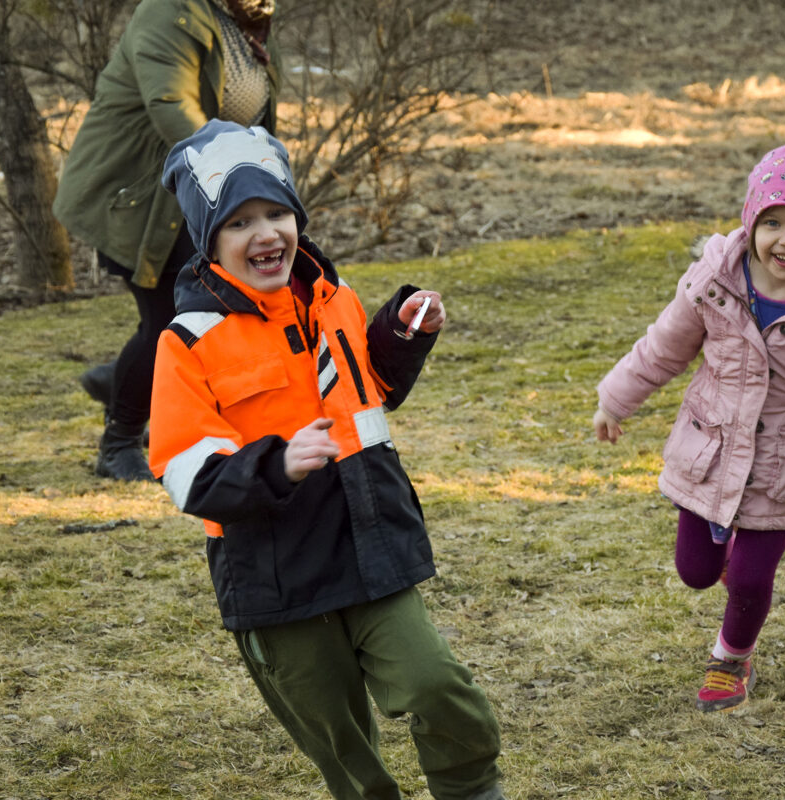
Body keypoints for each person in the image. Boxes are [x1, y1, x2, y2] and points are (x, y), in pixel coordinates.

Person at [149, 120, 507, 800]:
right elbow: (185, 470)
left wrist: (400, 334)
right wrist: (276, 466)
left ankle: (471, 787)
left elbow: (368, 389)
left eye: (277, 212)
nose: (266, 234)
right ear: (210, 242)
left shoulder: (331, 299)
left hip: (371, 548)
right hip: (277, 578)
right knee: (338, 739)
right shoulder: (189, 342)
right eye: (240, 221)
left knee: (435, 683)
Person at [592, 131, 785, 714]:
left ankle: (730, 659)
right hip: (708, 453)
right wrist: (615, 399)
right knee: (694, 571)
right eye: (773, 223)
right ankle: (726, 571)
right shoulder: (714, 284)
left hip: (784, 466)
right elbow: (663, 348)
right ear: (750, 224)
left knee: (751, 581)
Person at [54, 0, 282, 481]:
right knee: (166, 322)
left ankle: (121, 381)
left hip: (199, 193)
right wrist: (238, 176)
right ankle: (120, 442)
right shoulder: (170, 11)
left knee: (207, 312)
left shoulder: (247, 22)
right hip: (137, 194)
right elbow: (172, 107)